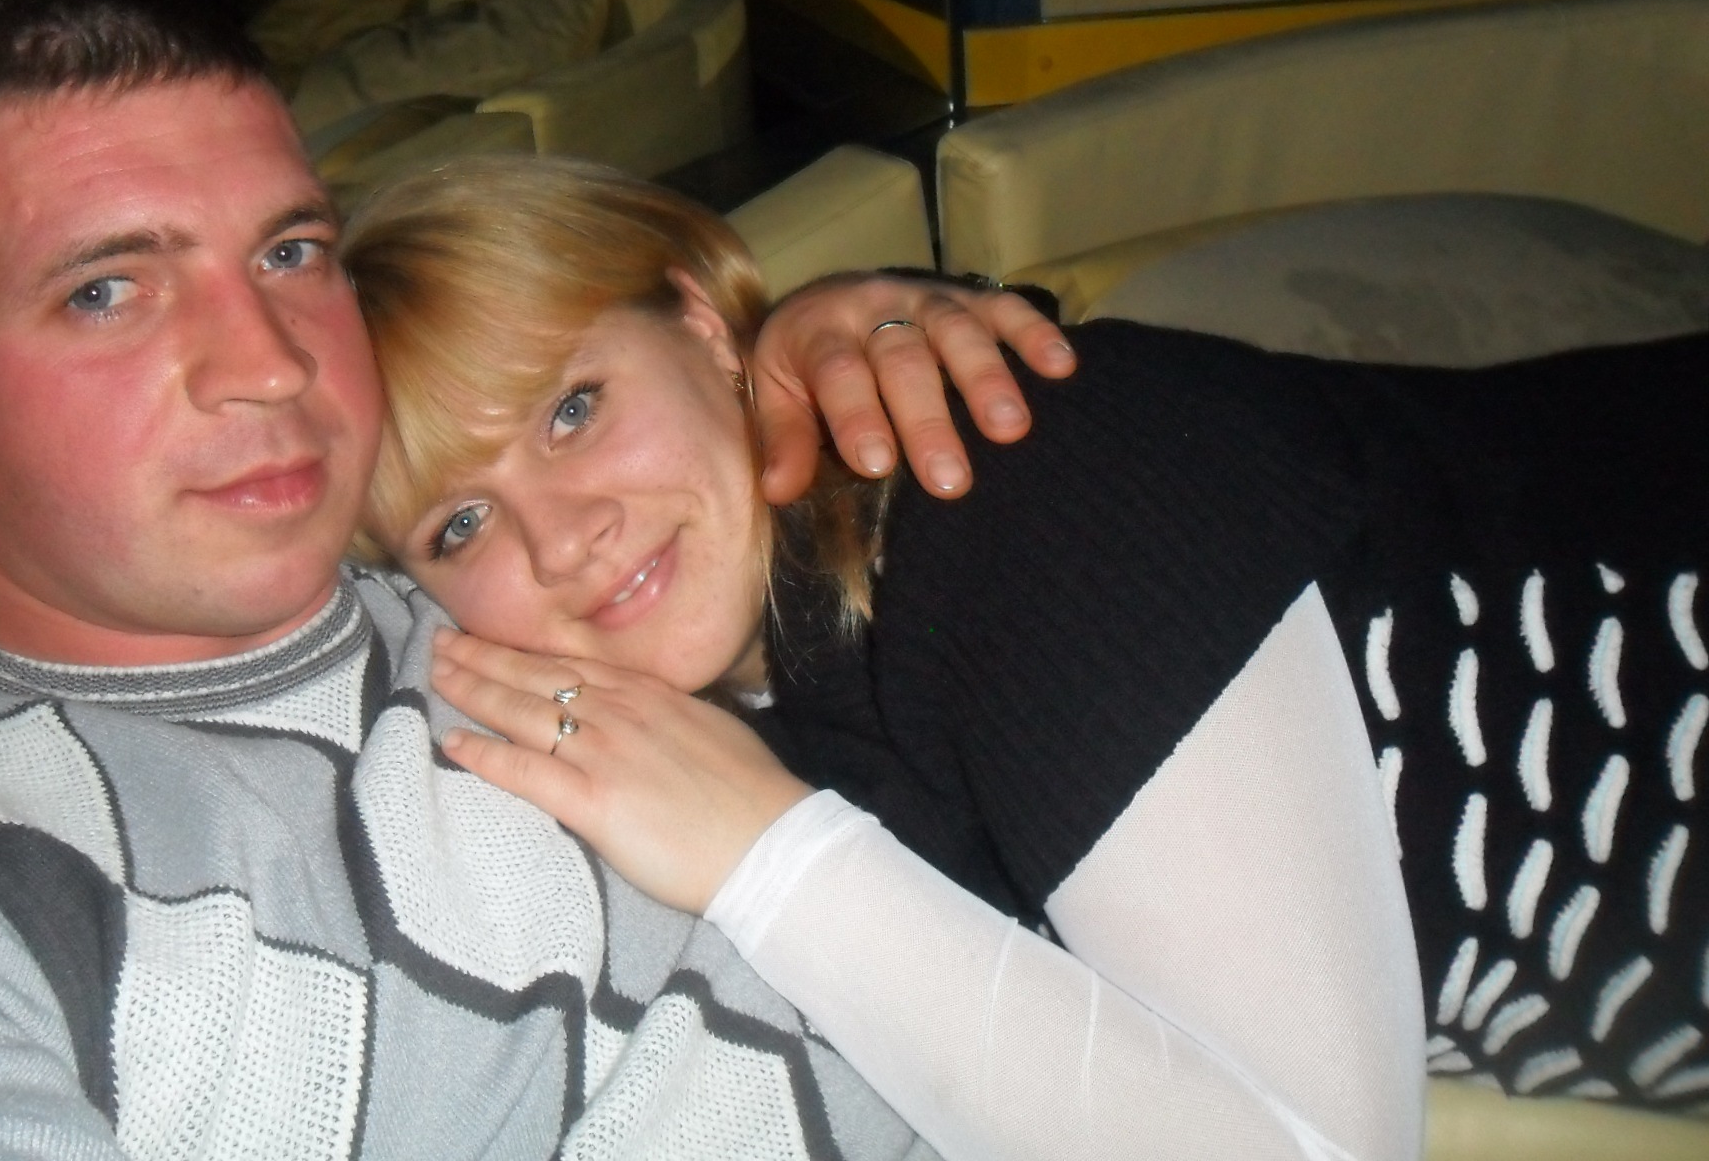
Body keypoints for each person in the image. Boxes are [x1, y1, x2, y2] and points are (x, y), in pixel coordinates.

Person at [0, 0, 1077, 1160]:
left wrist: (821, 358)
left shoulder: (494, 579)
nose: (269, 363)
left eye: (288, 253)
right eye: (107, 290)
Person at [340, 155, 1709, 1125]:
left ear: (701, 323)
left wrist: (770, 858)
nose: (561, 537)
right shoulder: (770, 690)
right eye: (459, 524)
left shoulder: (1012, 488)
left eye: (572, 408)